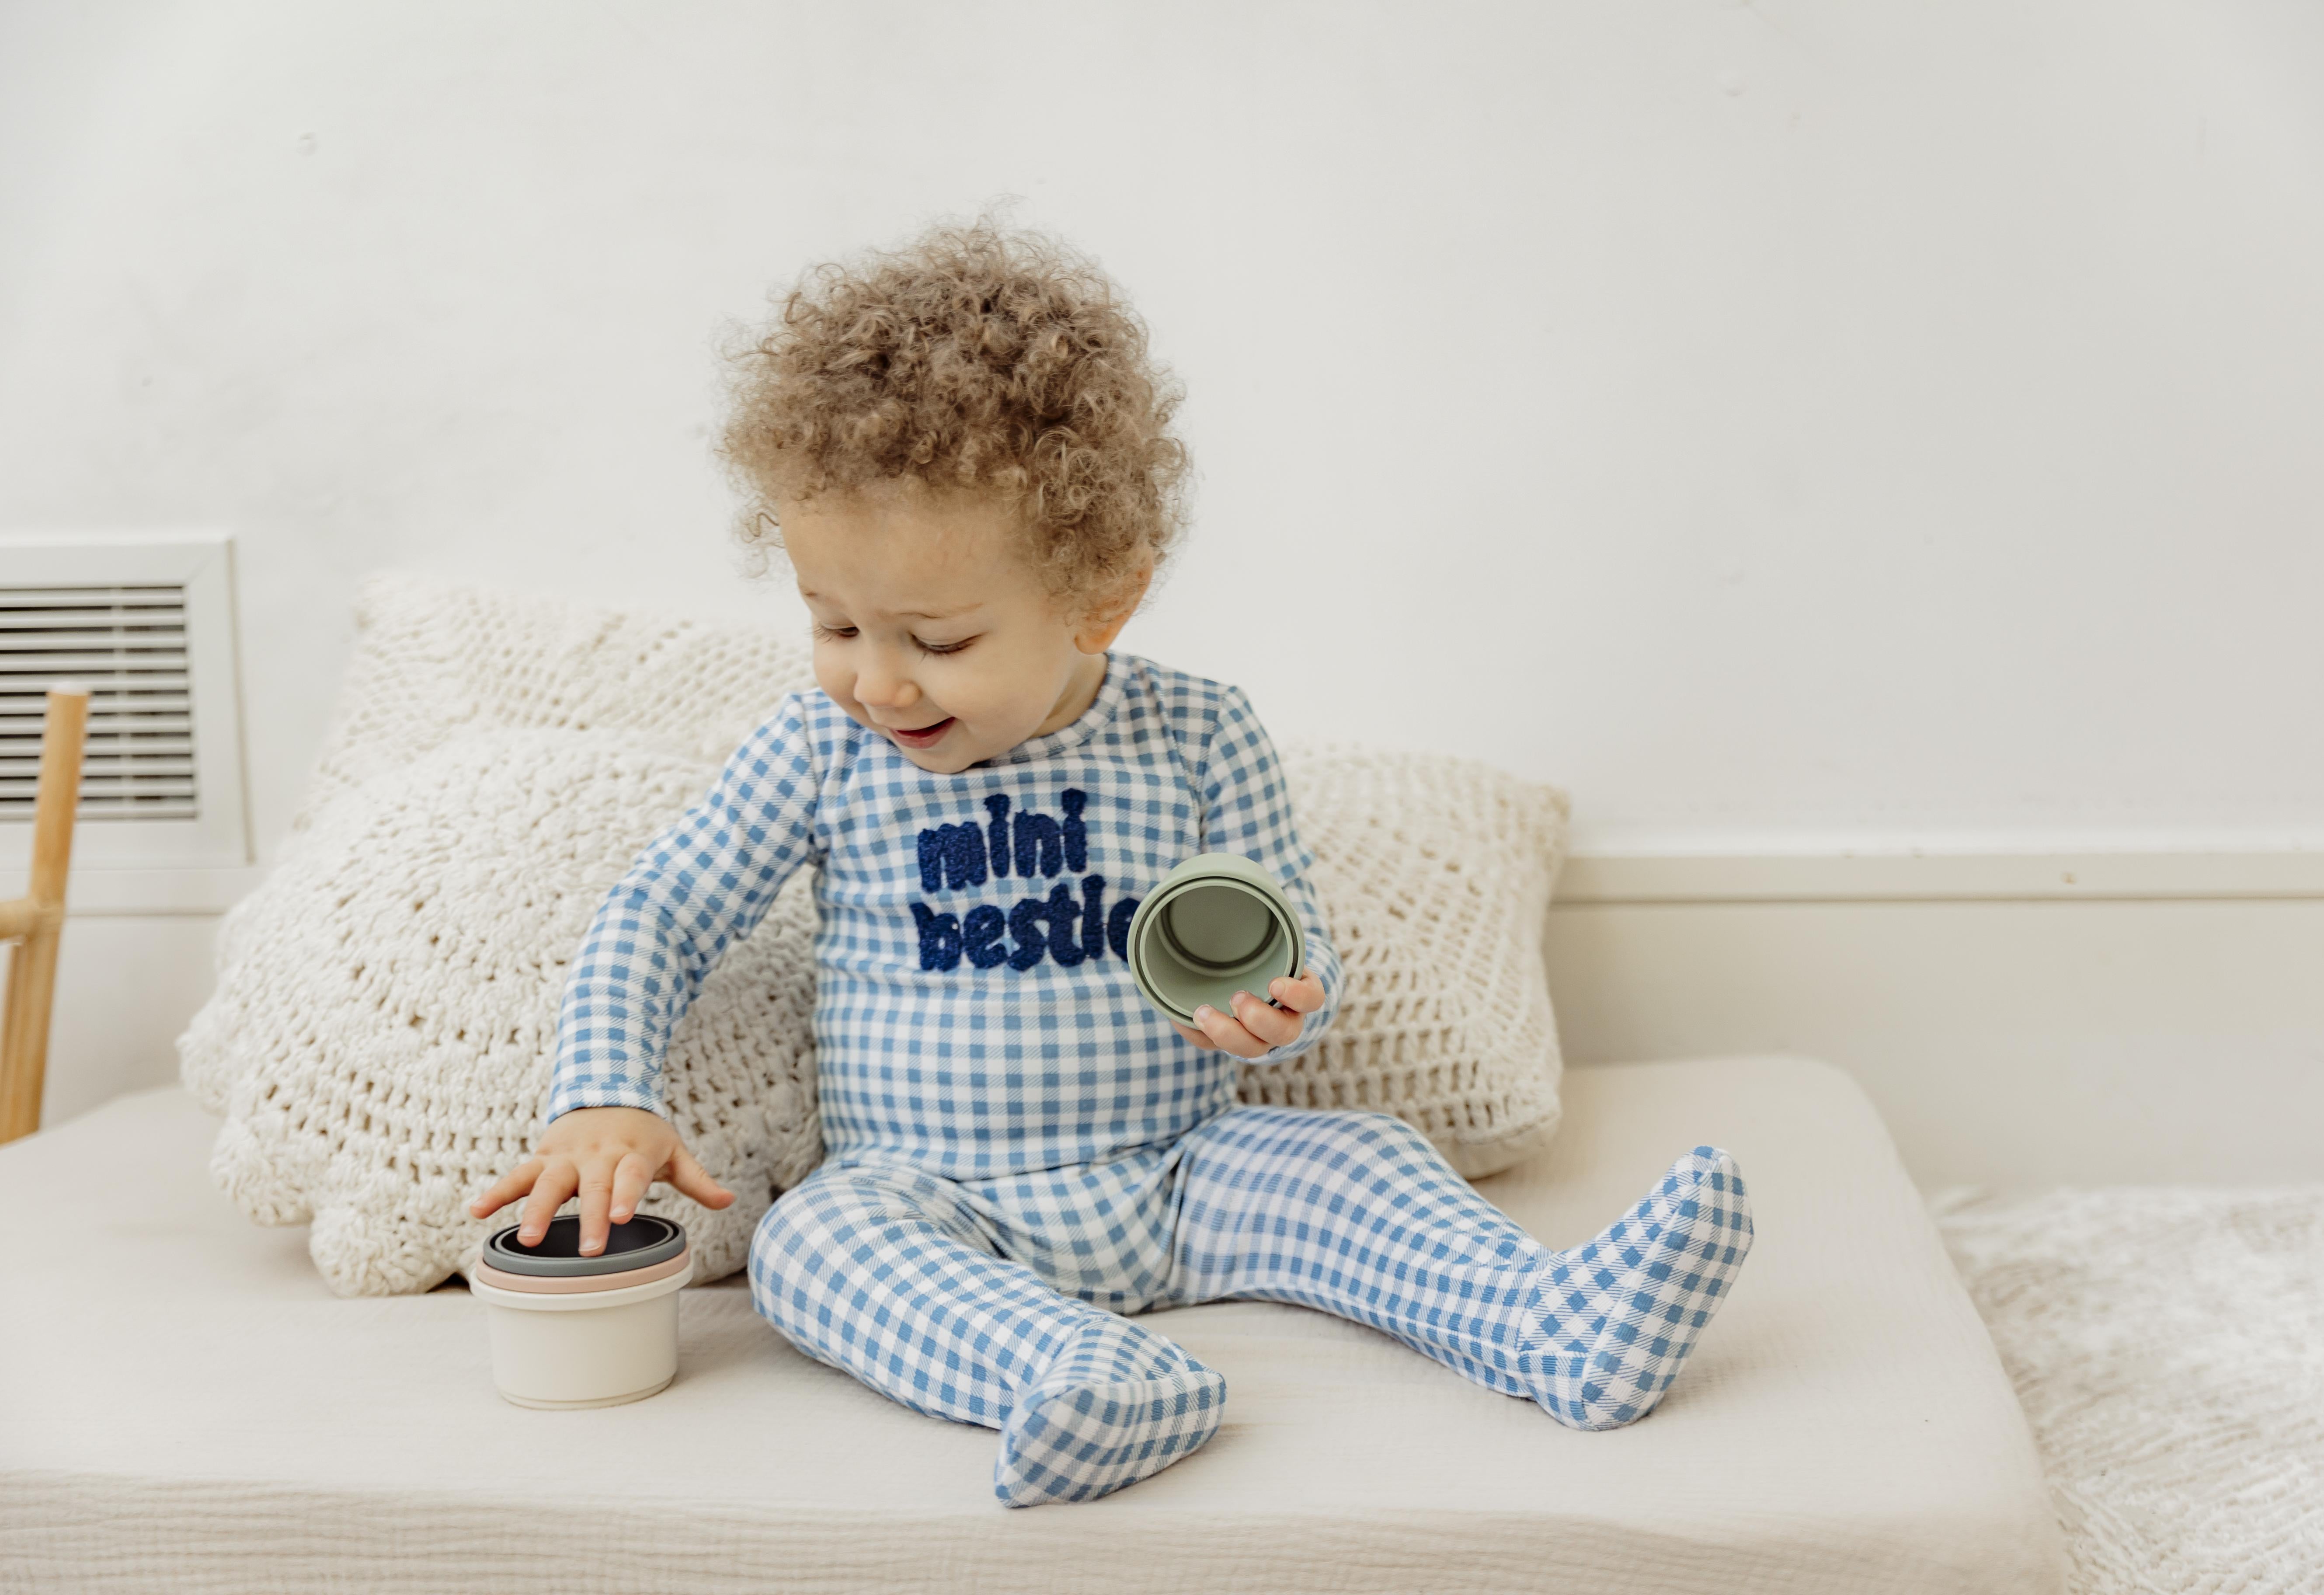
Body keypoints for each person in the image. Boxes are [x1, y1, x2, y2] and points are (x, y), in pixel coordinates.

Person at [471, 215, 1752, 1507]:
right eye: (835, 624)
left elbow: (1286, 935)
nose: (880, 682)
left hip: (1183, 1172)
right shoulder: (820, 750)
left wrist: (1283, 1008)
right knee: (809, 1246)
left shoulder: (1198, 735)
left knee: (1363, 1157)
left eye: (939, 640)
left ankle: (1552, 1323)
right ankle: (1087, 1374)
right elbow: (663, 911)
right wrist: (602, 1093)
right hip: (934, 1197)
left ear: (1101, 599)